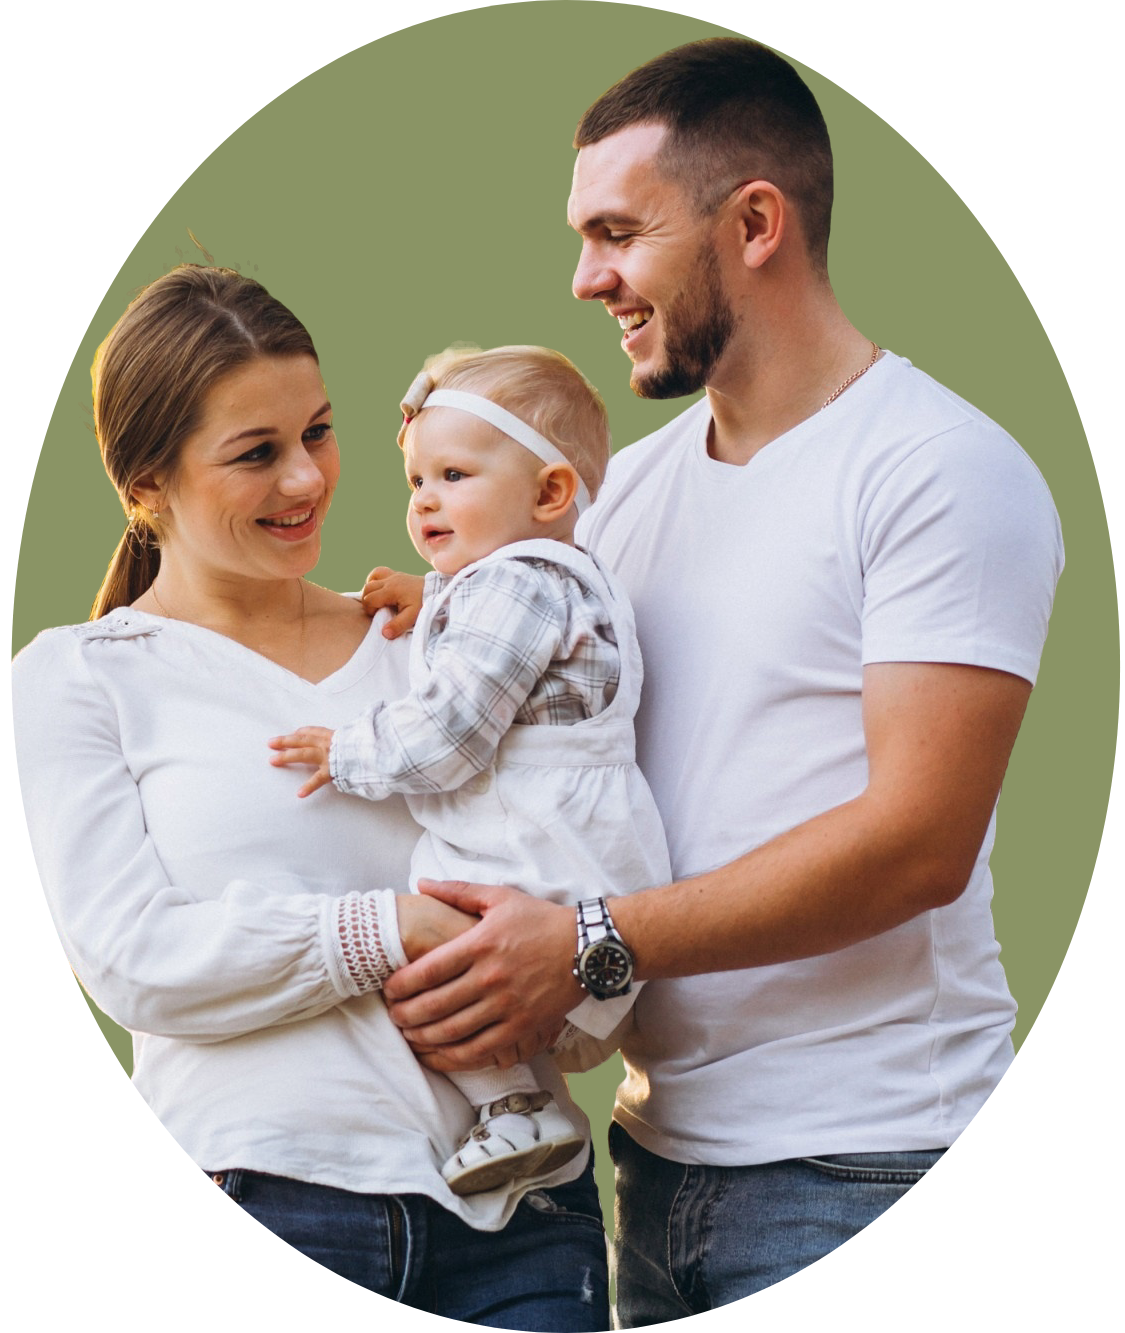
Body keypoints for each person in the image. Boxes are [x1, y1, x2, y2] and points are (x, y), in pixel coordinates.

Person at [372, 38, 1065, 1315]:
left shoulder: (936, 471)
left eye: (619, 234)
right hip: (655, 1155)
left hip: (866, 1163)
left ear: (755, 223)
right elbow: (542, 700)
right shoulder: (624, 488)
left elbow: (922, 840)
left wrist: (586, 942)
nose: (586, 279)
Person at [13, 265, 612, 1328]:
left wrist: (569, 963)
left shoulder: (443, 637)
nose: (308, 480)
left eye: (321, 432)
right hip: (267, 1188)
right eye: (257, 453)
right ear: (145, 485)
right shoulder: (83, 675)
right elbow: (133, 959)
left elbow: (577, 839)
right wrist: (392, 927)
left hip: (524, 1223)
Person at [269, 344, 670, 1197]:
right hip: (592, 862)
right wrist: (436, 593)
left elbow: (449, 734)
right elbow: (514, 651)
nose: (424, 501)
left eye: (453, 475)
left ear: (550, 493)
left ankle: (523, 1107)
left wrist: (345, 751)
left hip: (534, 862)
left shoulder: (514, 590)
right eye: (417, 481)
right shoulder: (549, 577)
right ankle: (520, 1104)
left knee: (415, 960)